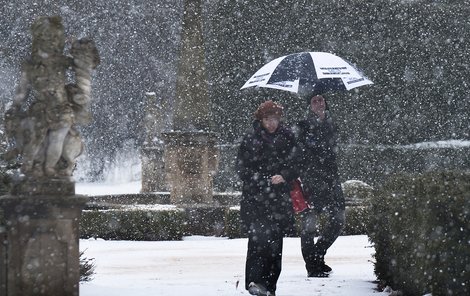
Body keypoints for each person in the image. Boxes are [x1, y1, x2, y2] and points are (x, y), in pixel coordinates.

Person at [236, 100, 298, 296]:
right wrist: (262, 180)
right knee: (257, 242)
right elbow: (241, 169)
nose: (271, 123)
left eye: (275, 119)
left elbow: (298, 163)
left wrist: (284, 175)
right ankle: (255, 282)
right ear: (260, 119)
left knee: (275, 245)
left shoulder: (288, 138)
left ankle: (270, 286)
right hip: (256, 199)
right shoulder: (250, 139)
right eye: (267, 119)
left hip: (278, 201)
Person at [294, 94, 346, 278]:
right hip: (311, 181)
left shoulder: (332, 124)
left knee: (339, 219)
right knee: (309, 224)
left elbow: (332, 150)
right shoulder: (302, 126)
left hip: (331, 179)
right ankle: (312, 266)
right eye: (314, 100)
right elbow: (299, 153)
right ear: (309, 105)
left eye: (321, 100)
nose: (319, 103)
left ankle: (317, 255)